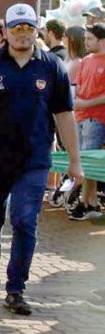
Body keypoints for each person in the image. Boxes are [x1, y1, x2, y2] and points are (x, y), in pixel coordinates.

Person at [0, 3, 84, 316]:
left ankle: (16, 289)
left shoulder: (51, 66)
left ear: (36, 29)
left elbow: (65, 115)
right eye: (16, 28)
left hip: (34, 159)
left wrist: (75, 160)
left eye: (28, 28)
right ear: (5, 31)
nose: (22, 34)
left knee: (25, 220)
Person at [70, 23, 105, 221]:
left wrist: (86, 103)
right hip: (81, 116)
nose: (86, 42)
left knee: (88, 162)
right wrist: (78, 104)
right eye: (85, 39)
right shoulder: (85, 61)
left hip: (97, 117)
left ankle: (86, 202)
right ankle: (90, 202)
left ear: (102, 40)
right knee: (84, 160)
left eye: (90, 39)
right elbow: (80, 85)